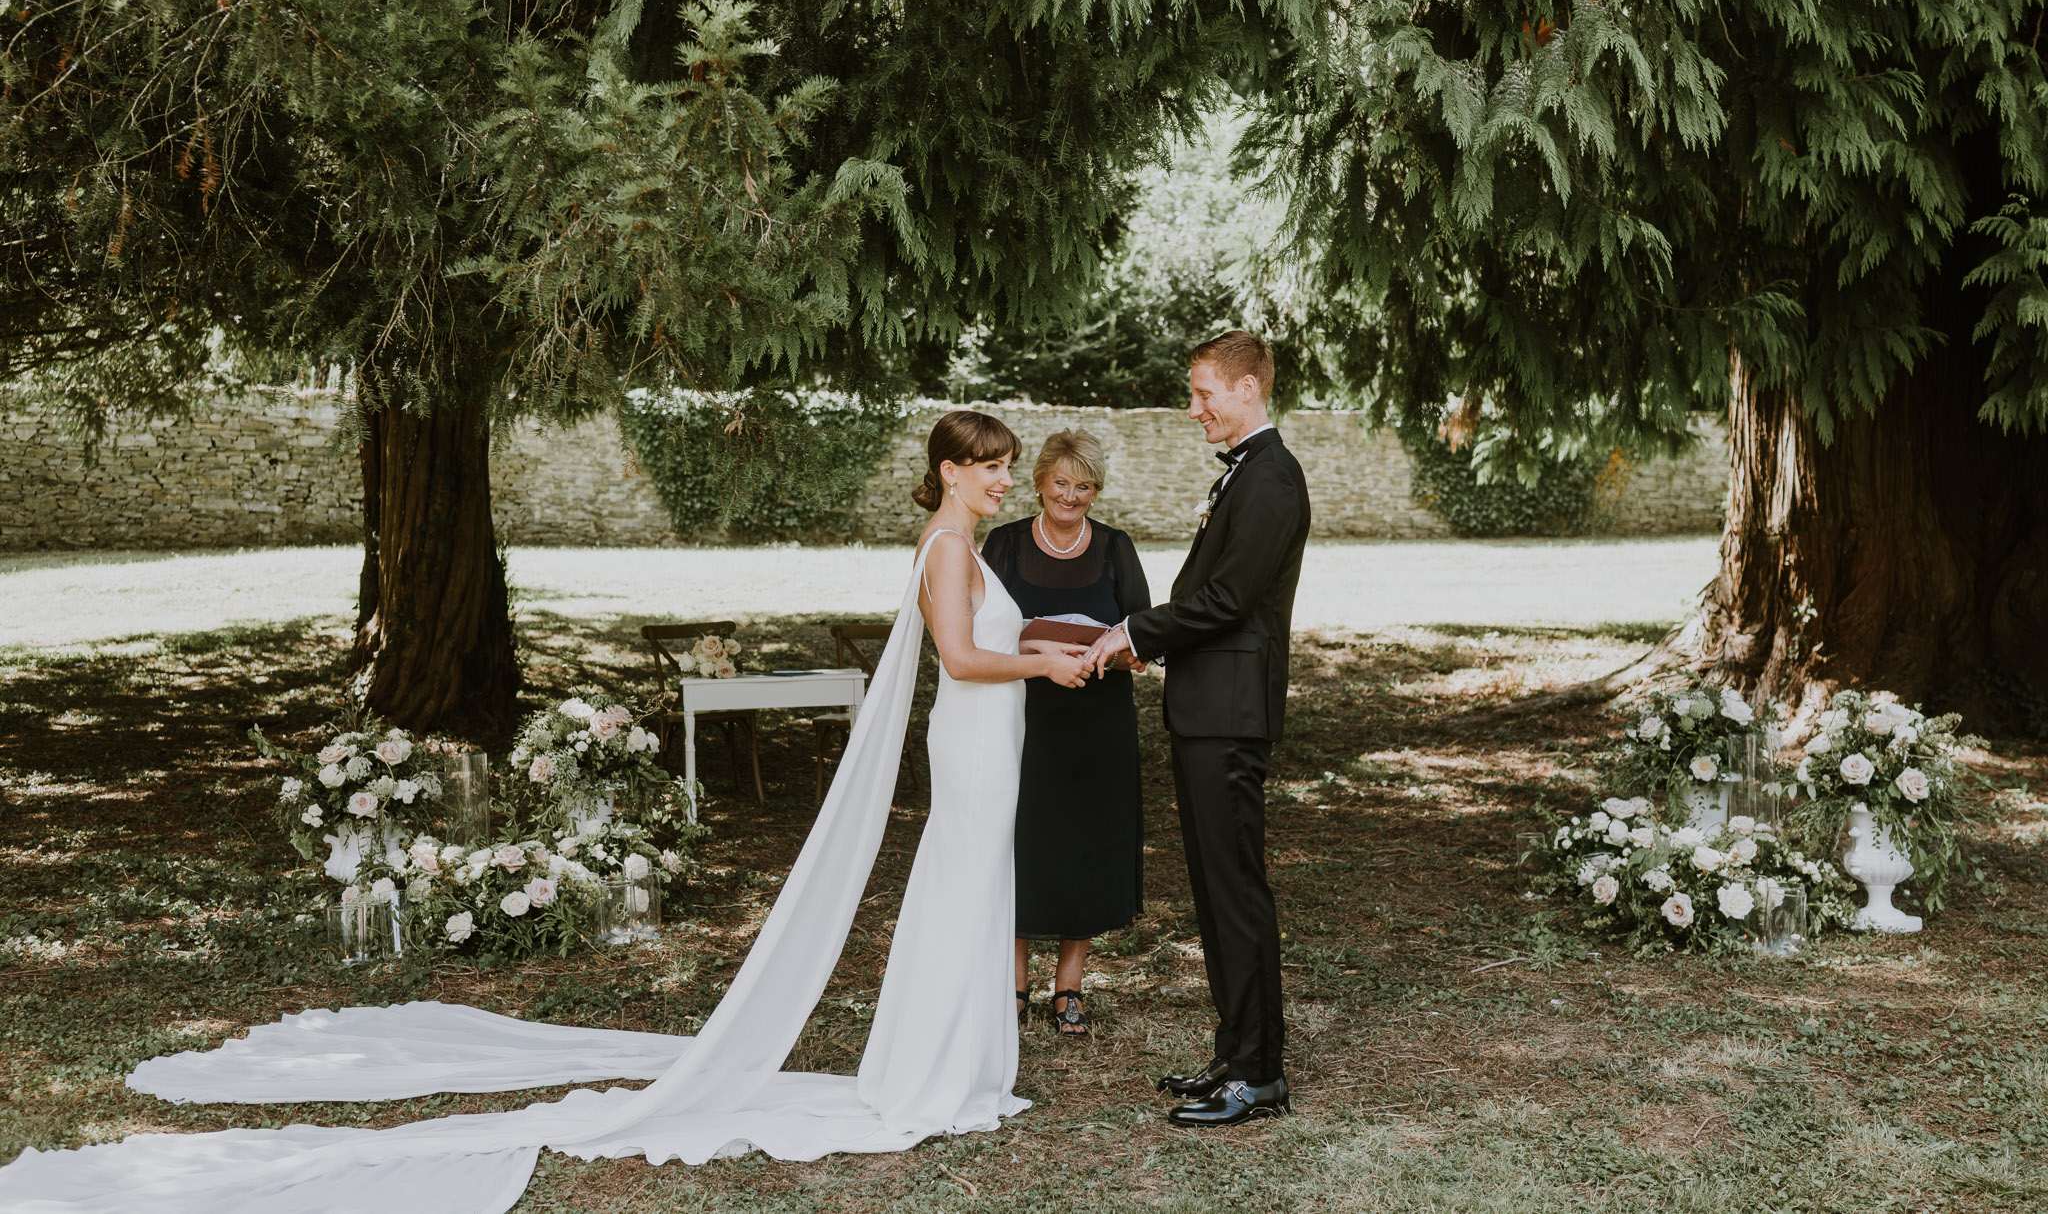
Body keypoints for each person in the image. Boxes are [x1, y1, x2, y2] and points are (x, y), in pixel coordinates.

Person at [0, 410, 1092, 1214]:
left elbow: (987, 644)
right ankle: (932, 1073)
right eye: (990, 469)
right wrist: (1039, 668)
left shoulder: (969, 546)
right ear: (949, 471)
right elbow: (957, 655)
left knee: (972, 882)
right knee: (958, 884)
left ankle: (951, 1061)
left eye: (1003, 471)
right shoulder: (949, 546)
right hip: (976, 736)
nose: (1001, 483)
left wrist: (1050, 647)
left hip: (990, 731)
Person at [1084, 330, 1310, 1129]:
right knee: (1216, 894)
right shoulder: (1249, 474)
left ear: (1248, 388)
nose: (1194, 408)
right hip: (1207, 709)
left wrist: (1134, 633)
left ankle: (1260, 1073)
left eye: (1205, 392)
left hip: (1230, 713)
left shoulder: (1274, 478)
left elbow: (1228, 602)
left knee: (1237, 893)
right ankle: (1234, 1049)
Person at [982, 429, 1151, 1037]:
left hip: (1097, 716)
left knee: (1086, 840)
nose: (1071, 497)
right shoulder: (1002, 544)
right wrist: (1039, 640)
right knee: (1021, 837)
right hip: (1021, 712)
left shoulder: (1115, 547)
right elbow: (982, 632)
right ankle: (1014, 983)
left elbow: (1142, 634)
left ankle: (1070, 986)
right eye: (1061, 484)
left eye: (1084, 487)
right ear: (1040, 483)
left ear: (1096, 490)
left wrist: (1118, 648)